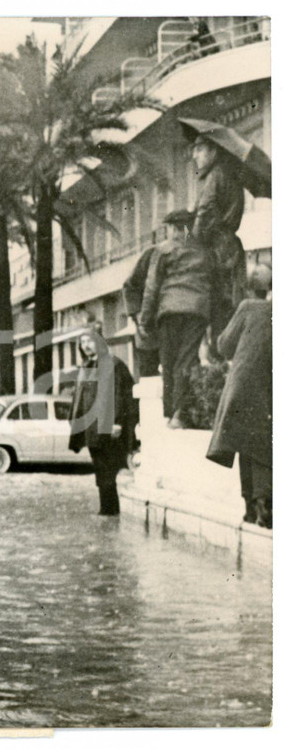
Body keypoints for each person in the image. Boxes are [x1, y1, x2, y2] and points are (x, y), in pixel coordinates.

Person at [206, 264, 272, 528]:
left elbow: (224, 345)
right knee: (262, 444)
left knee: (246, 443)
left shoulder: (246, 307)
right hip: (268, 388)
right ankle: (264, 506)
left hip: (242, 388)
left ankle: (251, 508)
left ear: (249, 288)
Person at [140, 210, 213, 428]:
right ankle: (180, 414)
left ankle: (172, 415)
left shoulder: (163, 249)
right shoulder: (203, 251)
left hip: (170, 311)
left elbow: (151, 287)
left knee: (169, 362)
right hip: (197, 311)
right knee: (187, 360)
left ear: (172, 228)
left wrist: (145, 320)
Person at [68, 322, 137, 516]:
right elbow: (80, 397)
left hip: (109, 428)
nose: (85, 345)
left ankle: (111, 511)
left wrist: (117, 422)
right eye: (82, 342)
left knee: (109, 470)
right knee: (100, 469)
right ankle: (106, 510)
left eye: (89, 341)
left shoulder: (113, 364)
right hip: (92, 428)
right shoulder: (86, 367)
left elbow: (120, 395)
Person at [190, 134, 246, 339]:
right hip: (229, 247)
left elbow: (205, 213)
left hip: (217, 249)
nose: (194, 155)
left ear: (213, 151)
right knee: (231, 309)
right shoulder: (231, 174)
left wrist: (190, 243)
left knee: (218, 314)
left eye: (199, 149)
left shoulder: (215, 175)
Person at [122, 246, 160, 377]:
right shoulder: (153, 254)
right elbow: (129, 286)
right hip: (149, 334)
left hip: (176, 333)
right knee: (149, 377)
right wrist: (140, 316)